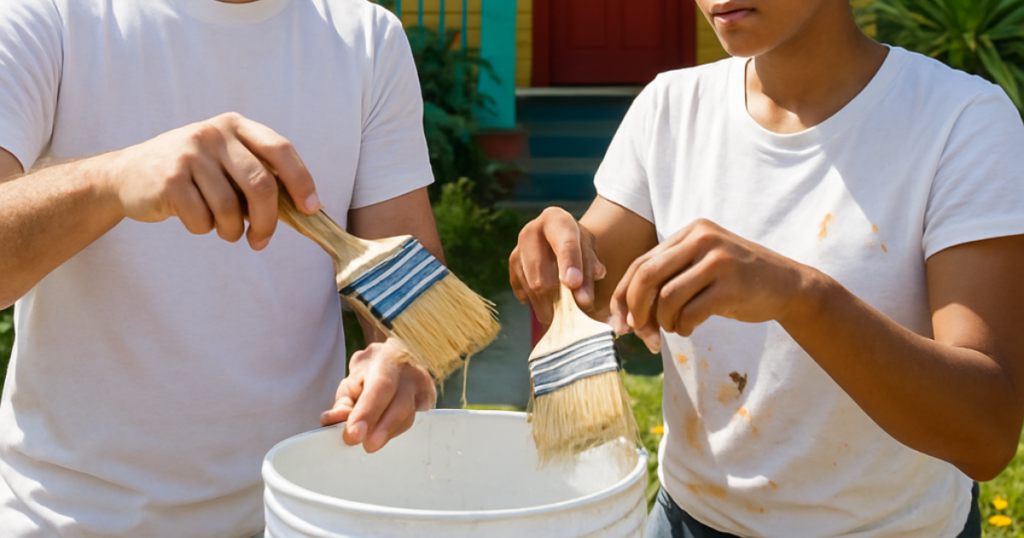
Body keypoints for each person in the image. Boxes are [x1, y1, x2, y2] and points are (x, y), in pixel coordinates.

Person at [510, 0, 1024, 536]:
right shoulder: (672, 106)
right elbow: (595, 282)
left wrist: (798, 295)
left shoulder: (961, 120)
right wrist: (561, 250)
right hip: (690, 518)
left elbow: (984, 435)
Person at [0, 0, 439, 535]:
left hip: (296, 515)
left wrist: (404, 357)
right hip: (70, 521)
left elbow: (412, 305)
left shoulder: (366, 37)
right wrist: (113, 179)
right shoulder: (47, 14)